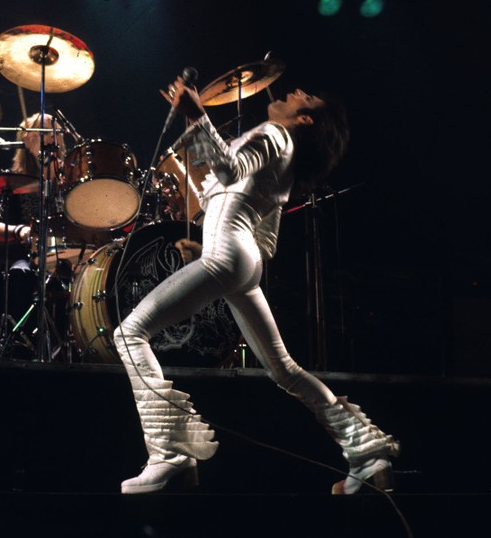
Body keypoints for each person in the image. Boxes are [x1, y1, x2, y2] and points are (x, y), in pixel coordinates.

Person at [111, 76, 400, 495]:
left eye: (307, 96)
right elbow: (265, 242)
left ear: (303, 118)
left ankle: (169, 453)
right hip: (244, 263)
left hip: (230, 258)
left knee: (129, 333)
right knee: (285, 370)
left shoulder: (274, 134)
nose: (295, 90)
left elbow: (228, 168)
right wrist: (212, 251)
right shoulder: (287, 161)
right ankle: (368, 453)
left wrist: (196, 116)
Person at [0, 112, 84, 356]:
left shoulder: (74, 179)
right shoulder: (17, 181)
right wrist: (21, 230)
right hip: (32, 258)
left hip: (75, 256)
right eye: (43, 130)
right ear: (27, 139)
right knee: (18, 274)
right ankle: (20, 348)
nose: (51, 135)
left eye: (55, 130)